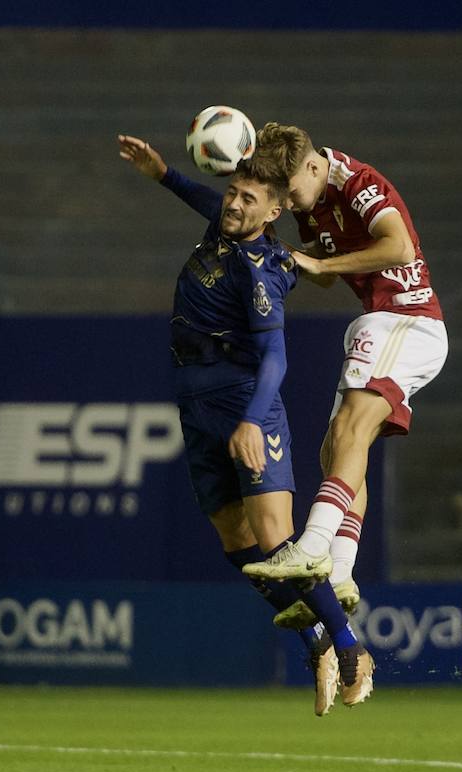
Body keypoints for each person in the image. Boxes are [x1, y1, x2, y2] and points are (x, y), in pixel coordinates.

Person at [116, 132, 373, 715]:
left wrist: (254, 421)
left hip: (243, 404)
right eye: (232, 193)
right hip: (197, 404)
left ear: (274, 212)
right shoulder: (224, 226)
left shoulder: (261, 272)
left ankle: (351, 647)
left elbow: (276, 357)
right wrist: (162, 174)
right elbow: (202, 200)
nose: (233, 204)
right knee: (234, 539)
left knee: (278, 540)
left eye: (247, 200)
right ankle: (315, 642)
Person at [240, 123, 447, 621]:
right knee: (337, 446)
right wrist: (286, 260)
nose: (289, 204)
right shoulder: (311, 205)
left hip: (406, 318)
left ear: (313, 166)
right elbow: (327, 272)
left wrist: (320, 266)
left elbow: (398, 247)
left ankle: (311, 544)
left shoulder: (358, 183)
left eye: (290, 192)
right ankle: (339, 571)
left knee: (349, 430)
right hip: (379, 322)